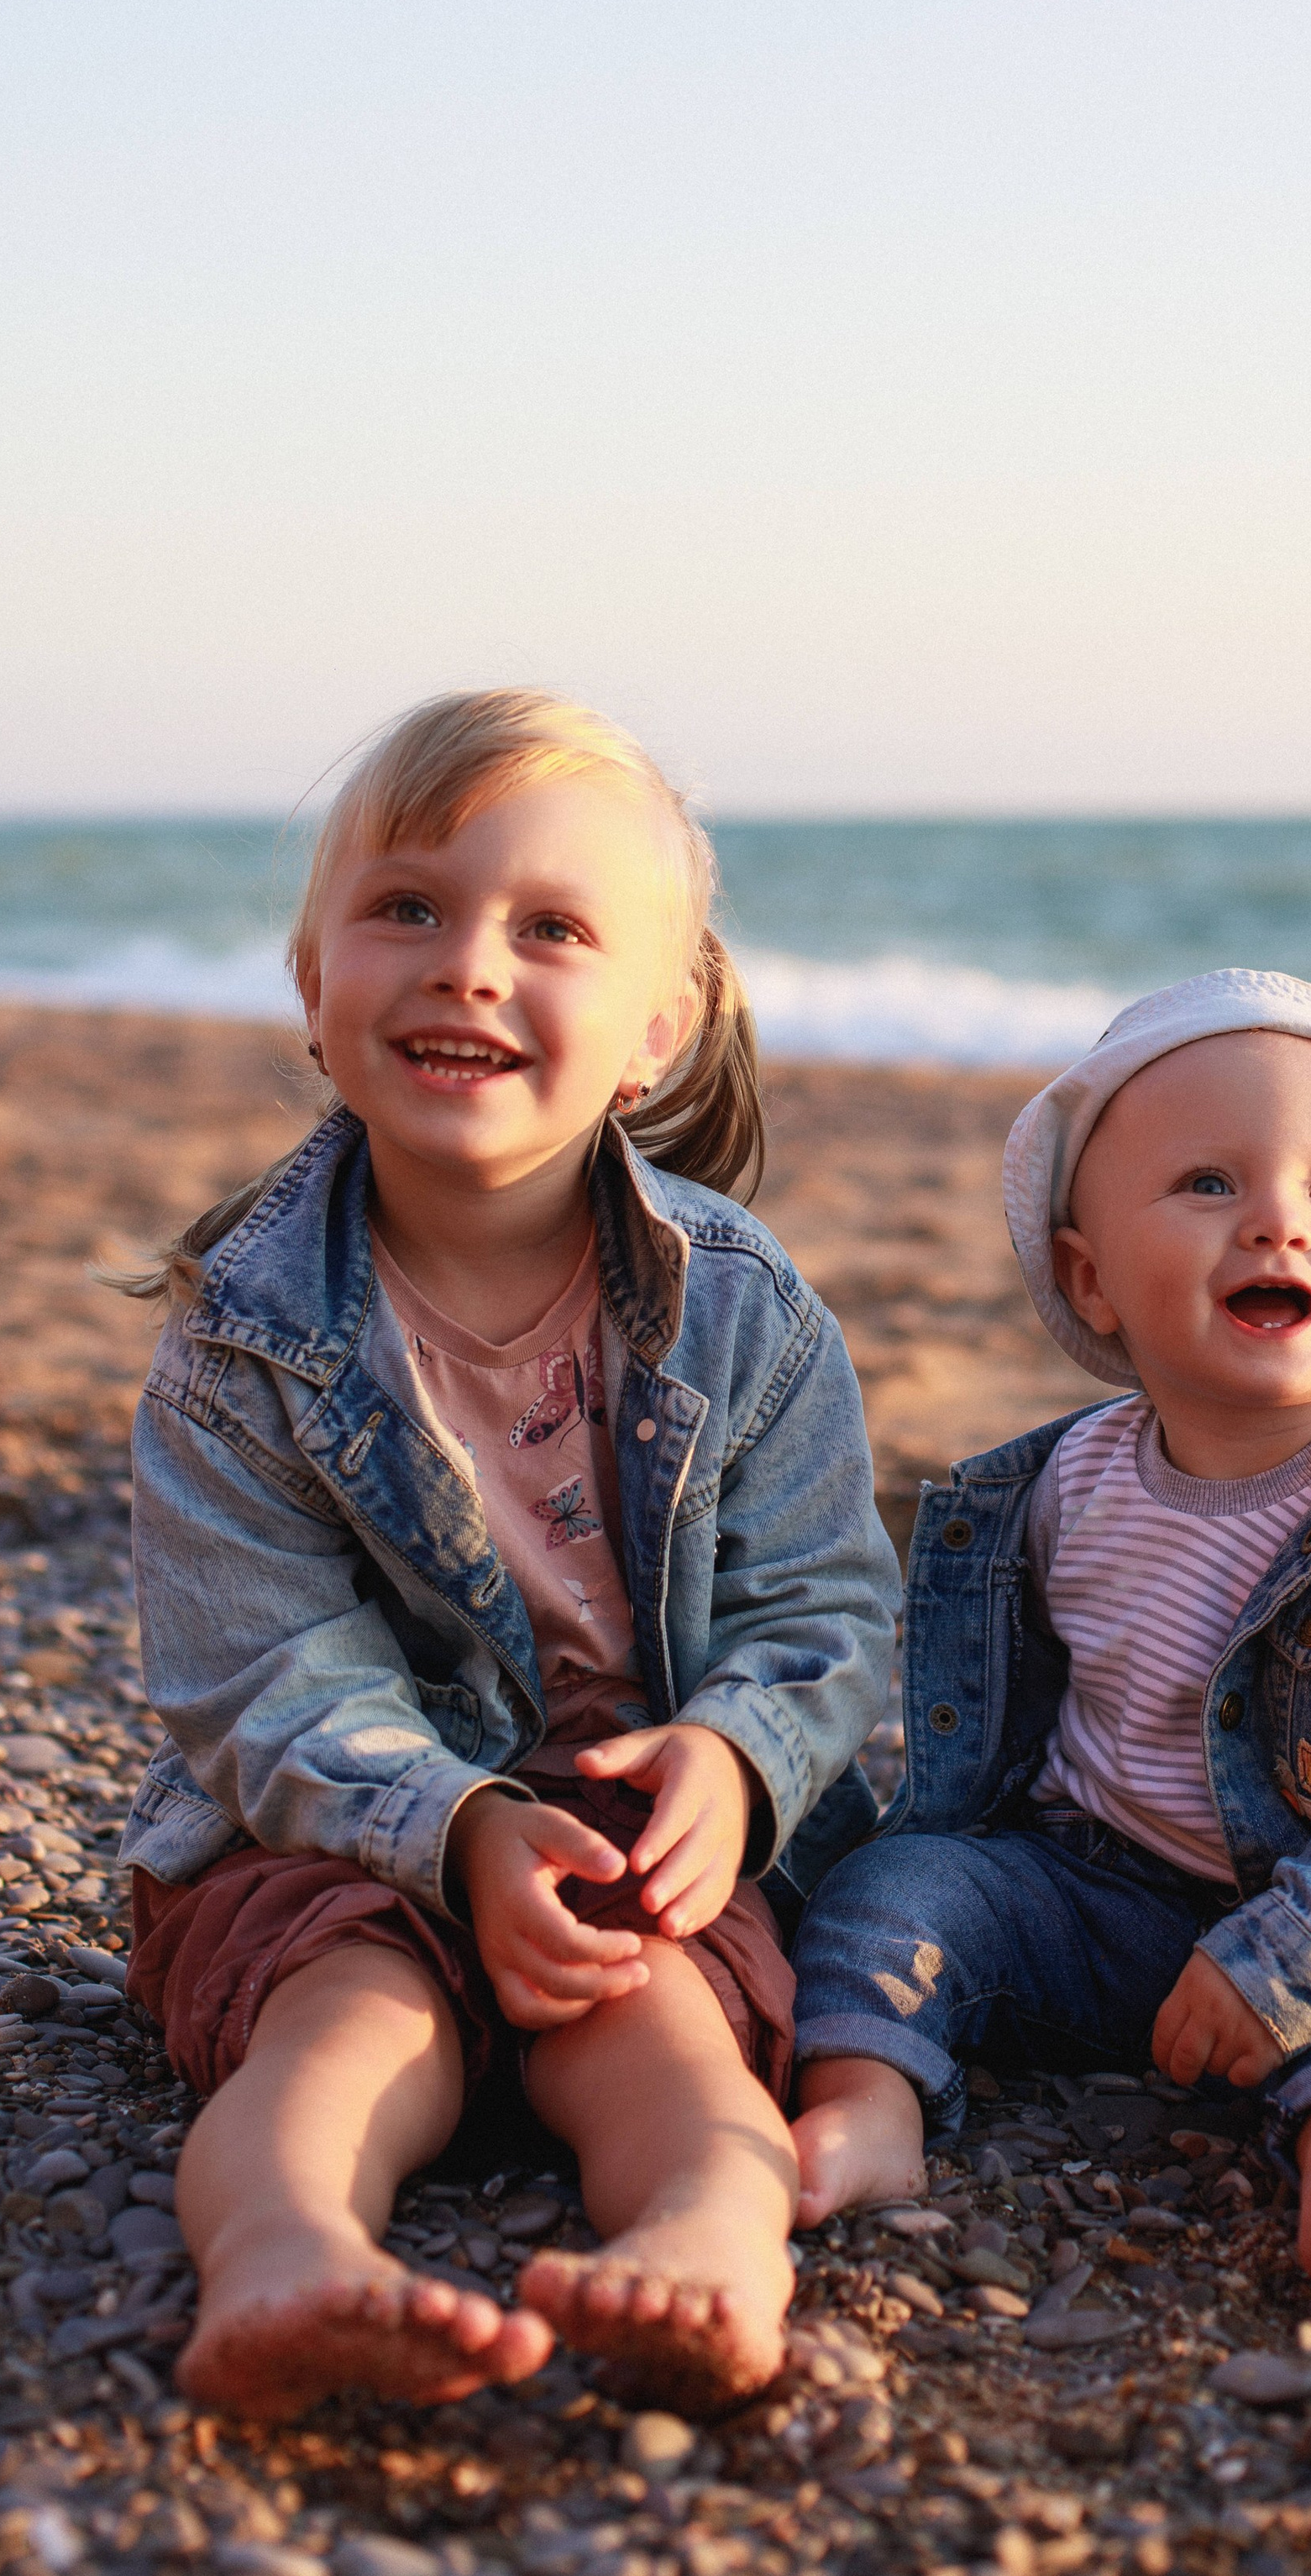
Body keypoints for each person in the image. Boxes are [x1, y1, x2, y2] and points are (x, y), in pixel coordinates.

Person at [112, 690, 898, 2416]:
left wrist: (734, 1758)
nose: (468, 965)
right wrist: (454, 1826)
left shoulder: (740, 1315)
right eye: (407, 908)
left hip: (629, 1842)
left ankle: (707, 2244)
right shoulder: (247, 1340)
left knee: (672, 2035)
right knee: (338, 2026)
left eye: (548, 930)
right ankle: (285, 2257)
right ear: (314, 984)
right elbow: (256, 1675)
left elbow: (823, 1608)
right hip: (336, 1836)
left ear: (653, 1031)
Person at [788, 968, 1311, 2285]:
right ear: (1094, 1278)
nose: (1277, 1227)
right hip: (1082, 1891)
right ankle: (871, 2106)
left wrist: (1304, 1944)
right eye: (1208, 1185)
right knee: (893, 1893)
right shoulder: (1060, 1488)